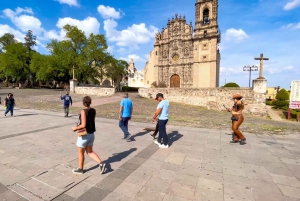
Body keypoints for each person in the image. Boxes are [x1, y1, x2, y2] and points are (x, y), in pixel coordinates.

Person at [71, 96, 106, 174]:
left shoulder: (83, 111)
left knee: (80, 152)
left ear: (83, 103)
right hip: (91, 134)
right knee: (90, 152)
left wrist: (75, 128)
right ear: (90, 102)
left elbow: (83, 125)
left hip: (84, 135)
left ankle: (80, 168)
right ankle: (101, 163)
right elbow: (92, 121)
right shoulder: (93, 110)